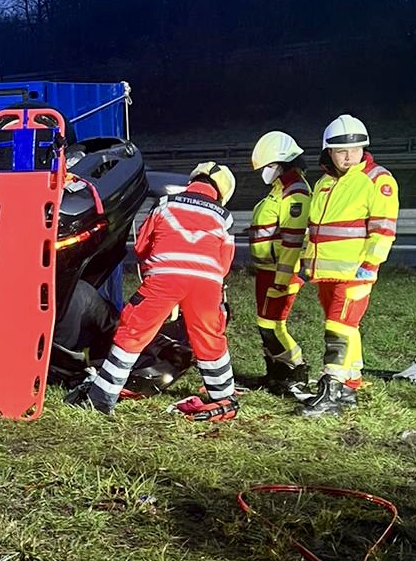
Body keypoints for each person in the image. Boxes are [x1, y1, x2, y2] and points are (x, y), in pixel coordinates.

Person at [66, 162, 238, 420]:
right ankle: (224, 398)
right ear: (222, 192)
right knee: (210, 338)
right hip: (207, 283)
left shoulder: (166, 203)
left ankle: (101, 399)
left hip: (164, 278)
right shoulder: (223, 216)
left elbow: (142, 245)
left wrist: (155, 269)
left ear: (193, 180)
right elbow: (225, 262)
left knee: (131, 334)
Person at [296, 114, 399, 417]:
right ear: (328, 151)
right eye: (341, 151)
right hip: (325, 273)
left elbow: (383, 230)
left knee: (337, 327)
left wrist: (370, 265)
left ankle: (330, 392)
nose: (348, 156)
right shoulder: (325, 183)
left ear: (364, 148)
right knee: (346, 327)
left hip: (355, 271)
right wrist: (305, 263)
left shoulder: (378, 180)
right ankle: (349, 385)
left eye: (355, 149)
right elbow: (313, 228)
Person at [248, 130, 311, 395]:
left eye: (270, 166)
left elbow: (292, 241)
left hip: (281, 273)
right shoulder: (280, 188)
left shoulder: (295, 192)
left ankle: (296, 371)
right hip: (267, 270)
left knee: (272, 326)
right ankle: (275, 375)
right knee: (266, 324)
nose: (266, 171)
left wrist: (282, 281)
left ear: (284, 163)